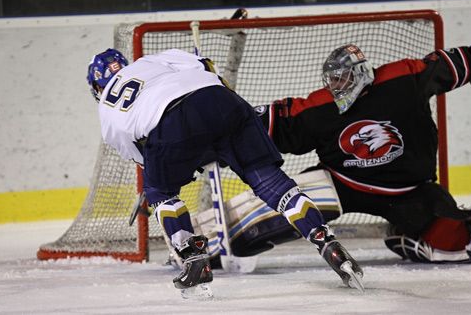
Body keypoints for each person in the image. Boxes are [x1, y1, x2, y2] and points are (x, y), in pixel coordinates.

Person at [85, 48, 364, 294]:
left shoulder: (107, 112)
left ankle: (193, 256)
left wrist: (167, 177)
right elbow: (206, 66)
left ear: (97, 87)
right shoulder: (152, 61)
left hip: (171, 123)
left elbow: (147, 159)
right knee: (273, 185)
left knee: (160, 192)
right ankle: (324, 239)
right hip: (223, 101)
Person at [247, 28, 471, 263]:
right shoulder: (323, 105)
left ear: (360, 73)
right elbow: (278, 124)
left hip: (407, 191)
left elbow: (445, 66)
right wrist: (233, 130)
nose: (336, 85)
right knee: (285, 207)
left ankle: (405, 237)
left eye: (341, 78)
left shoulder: (400, 80)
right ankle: (226, 245)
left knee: (458, 245)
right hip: (341, 183)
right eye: (332, 79)